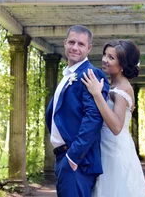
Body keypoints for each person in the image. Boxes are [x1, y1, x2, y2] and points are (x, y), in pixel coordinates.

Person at [45, 25, 110, 196]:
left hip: (78, 161)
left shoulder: (91, 75)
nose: (75, 47)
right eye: (72, 42)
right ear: (64, 43)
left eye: (81, 44)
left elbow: (94, 117)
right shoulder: (67, 75)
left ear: (89, 48)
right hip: (63, 158)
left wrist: (73, 156)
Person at [81, 39, 145, 197]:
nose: (104, 59)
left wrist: (97, 94)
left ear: (123, 64)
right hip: (104, 146)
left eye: (111, 57)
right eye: (105, 55)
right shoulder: (112, 85)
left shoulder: (122, 88)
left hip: (115, 149)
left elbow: (117, 127)